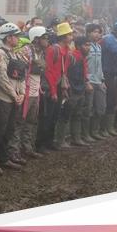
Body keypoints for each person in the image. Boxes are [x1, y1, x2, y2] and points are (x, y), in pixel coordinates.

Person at [0, 23, 26, 176]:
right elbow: (1, 78)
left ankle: (4, 158)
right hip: (1, 97)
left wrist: (21, 93)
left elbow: (21, 76)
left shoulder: (16, 54)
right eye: (16, 36)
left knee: (9, 129)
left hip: (14, 98)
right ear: (9, 37)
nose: (18, 39)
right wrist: (14, 94)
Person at [9, 26, 49, 162]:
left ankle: (27, 148)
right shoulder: (26, 50)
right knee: (19, 121)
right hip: (25, 92)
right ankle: (14, 151)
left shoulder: (42, 52)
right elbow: (20, 69)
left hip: (35, 92)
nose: (47, 40)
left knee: (31, 122)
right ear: (36, 39)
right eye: (44, 38)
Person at [36, 22, 73, 152]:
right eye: (69, 34)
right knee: (47, 116)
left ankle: (49, 141)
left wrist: (63, 89)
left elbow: (64, 72)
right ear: (63, 36)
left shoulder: (67, 51)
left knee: (54, 116)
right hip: (51, 86)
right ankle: (40, 144)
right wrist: (53, 91)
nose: (71, 36)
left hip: (58, 86)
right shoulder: (54, 50)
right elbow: (49, 71)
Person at [65, 36, 92, 146]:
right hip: (73, 90)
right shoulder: (74, 57)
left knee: (77, 114)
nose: (89, 47)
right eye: (86, 45)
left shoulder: (82, 57)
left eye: (89, 45)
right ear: (79, 46)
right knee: (67, 115)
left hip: (80, 90)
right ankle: (64, 139)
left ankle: (76, 137)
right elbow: (70, 75)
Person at [84, 23, 107, 140]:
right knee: (88, 109)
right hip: (89, 81)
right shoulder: (86, 47)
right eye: (95, 31)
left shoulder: (99, 47)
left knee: (100, 107)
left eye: (99, 32)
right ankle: (85, 134)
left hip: (99, 80)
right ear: (88, 33)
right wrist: (86, 80)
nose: (97, 34)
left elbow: (100, 65)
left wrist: (102, 80)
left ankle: (95, 131)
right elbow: (84, 65)